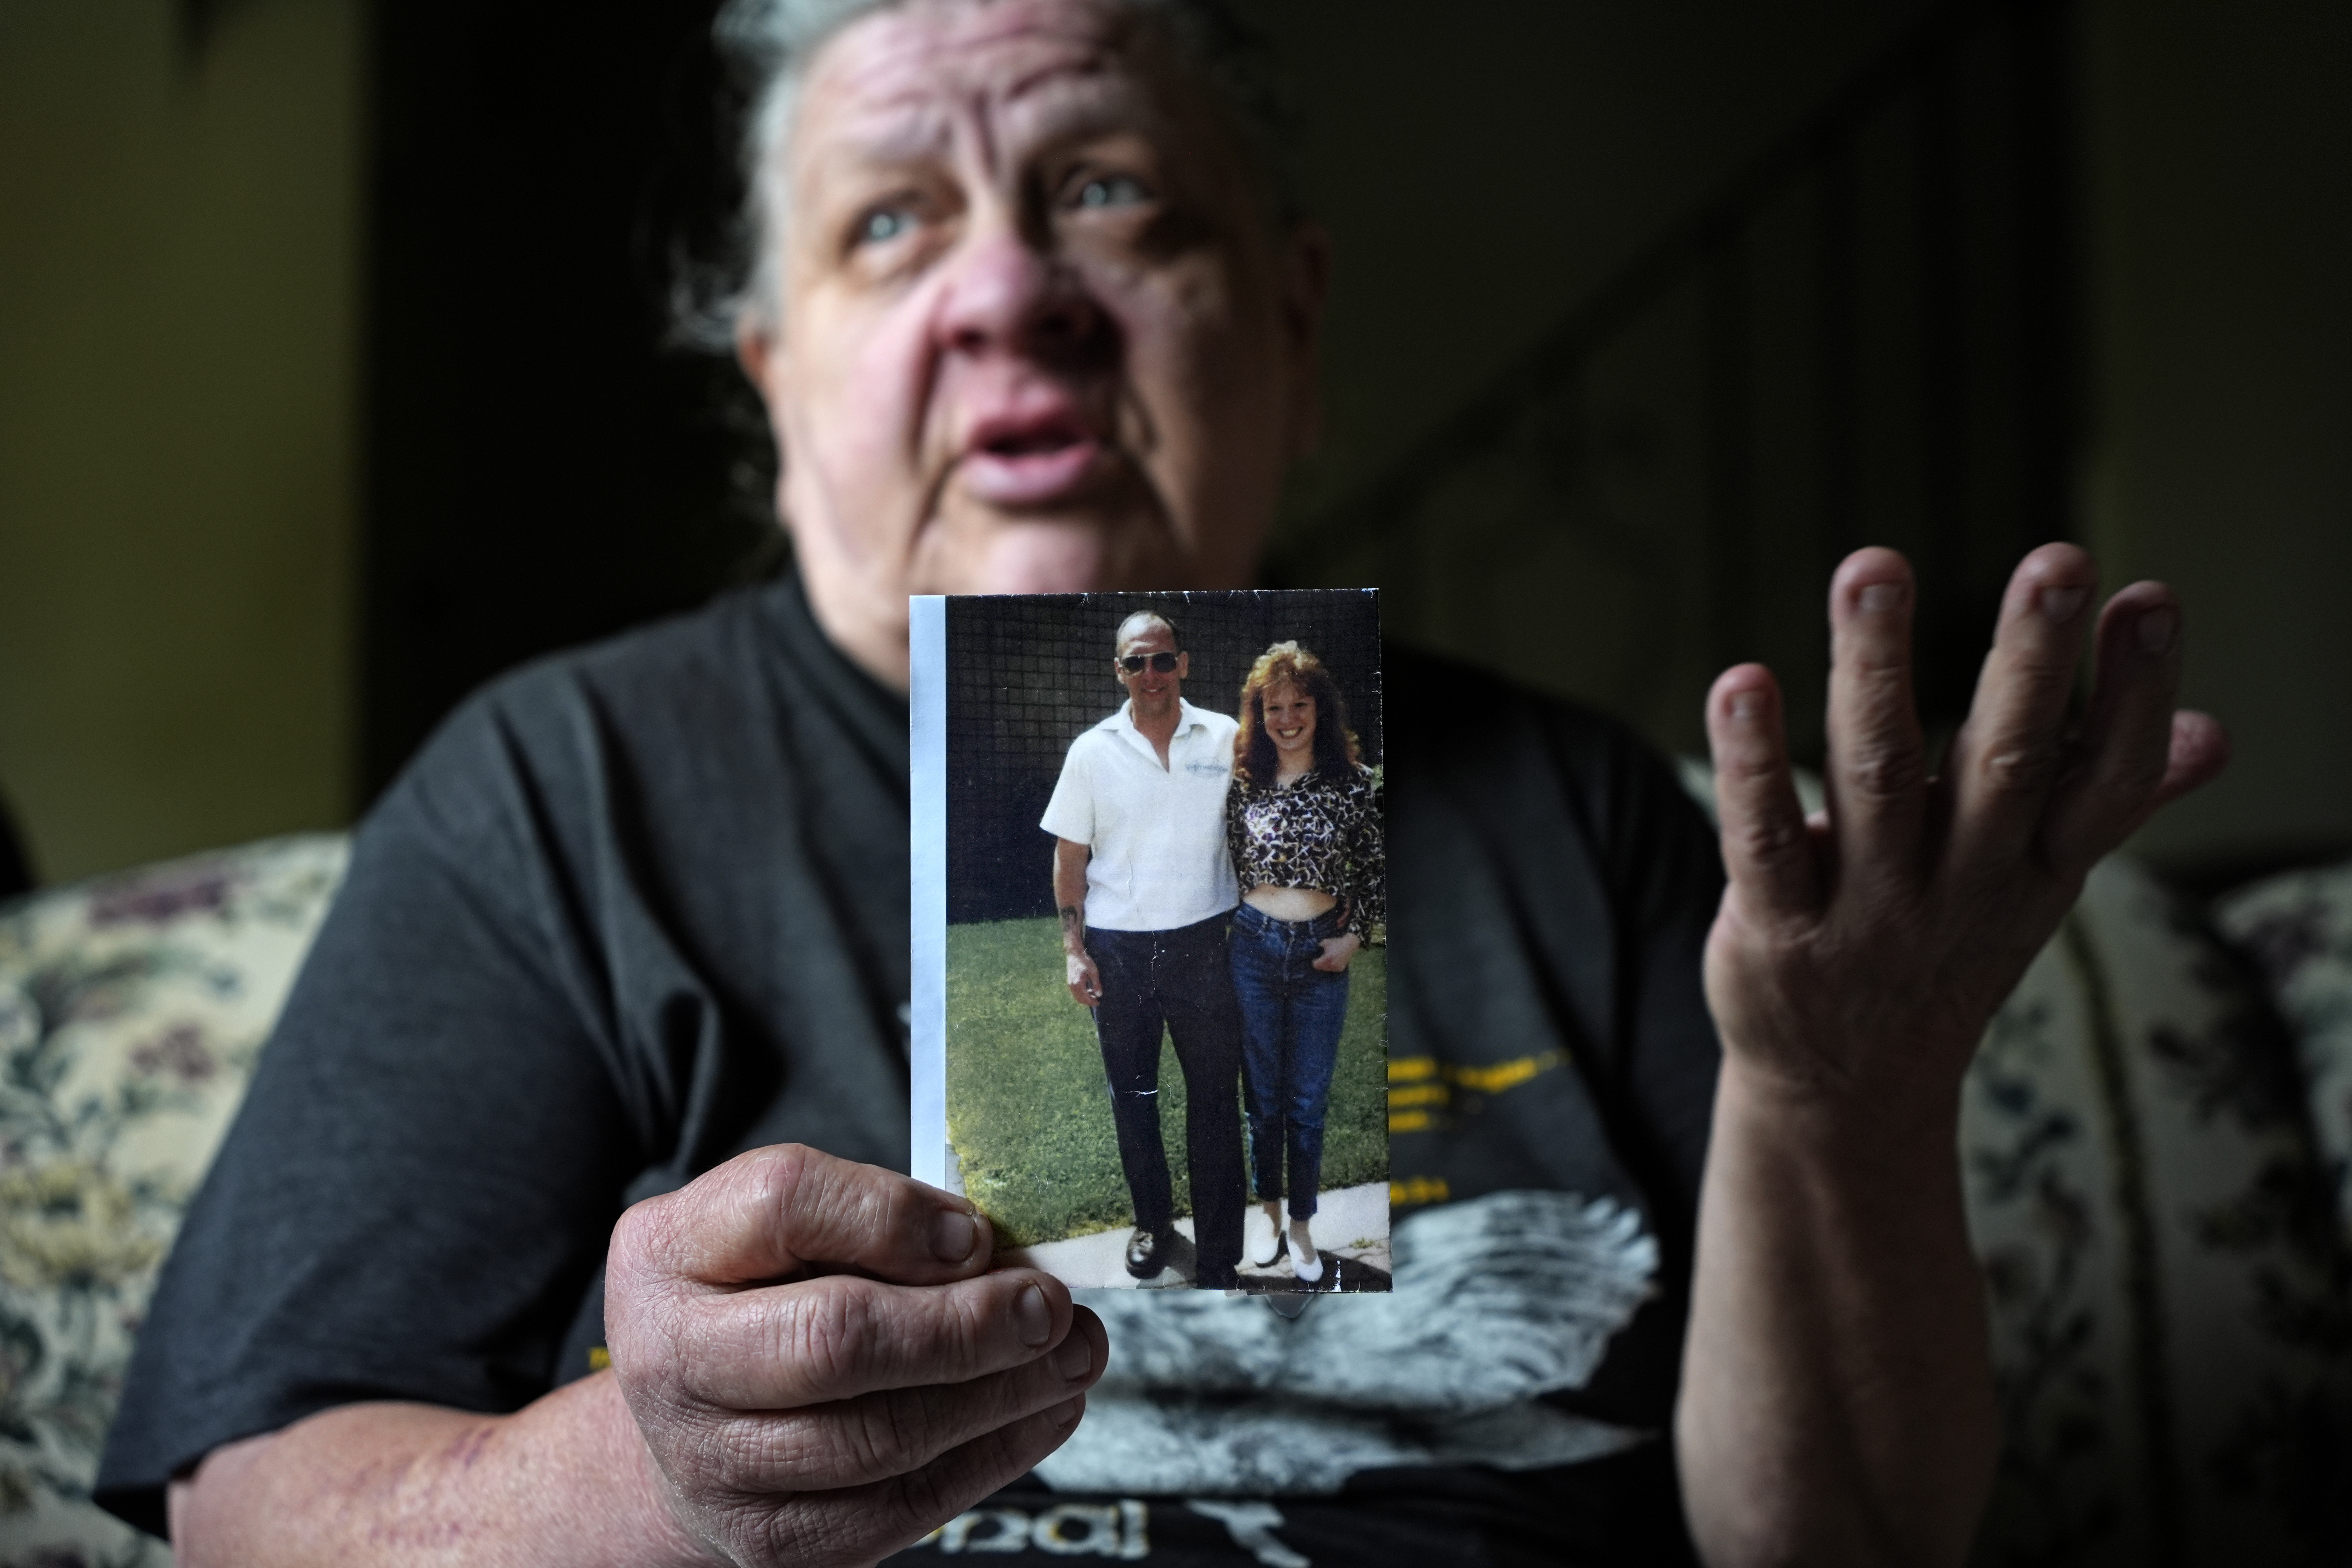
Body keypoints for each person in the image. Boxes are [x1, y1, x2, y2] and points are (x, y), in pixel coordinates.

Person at [94, 0, 2229, 1564]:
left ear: (1290, 329)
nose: (1012, 292)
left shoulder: (1580, 814)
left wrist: (1845, 1099)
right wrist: (648, 1475)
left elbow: (1838, 1545)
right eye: (891, 226)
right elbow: (251, 1511)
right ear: (777, 393)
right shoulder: (563, 792)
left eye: (1108, 190)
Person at [1039, 608, 1246, 1288]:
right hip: (1120, 954)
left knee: (1216, 1100)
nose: (1151, 674)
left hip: (1206, 947)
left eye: (1163, 660)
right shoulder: (1091, 751)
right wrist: (1076, 950)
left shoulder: (1227, 736)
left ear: (1183, 663)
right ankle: (1153, 1224)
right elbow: (1070, 860)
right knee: (1134, 1098)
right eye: (1137, 662)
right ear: (1119, 670)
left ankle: (1220, 1257)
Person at [1225, 641, 1381, 1285]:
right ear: (1258, 716)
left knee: (1307, 1103)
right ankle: (1268, 1217)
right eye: (1274, 708)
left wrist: (1354, 940)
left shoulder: (1352, 784)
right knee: (1262, 1101)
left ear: (1321, 708)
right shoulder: (1243, 785)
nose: (1287, 719)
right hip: (1254, 952)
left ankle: (1303, 1227)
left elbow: (1376, 873)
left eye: (1300, 705)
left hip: (1322, 957)